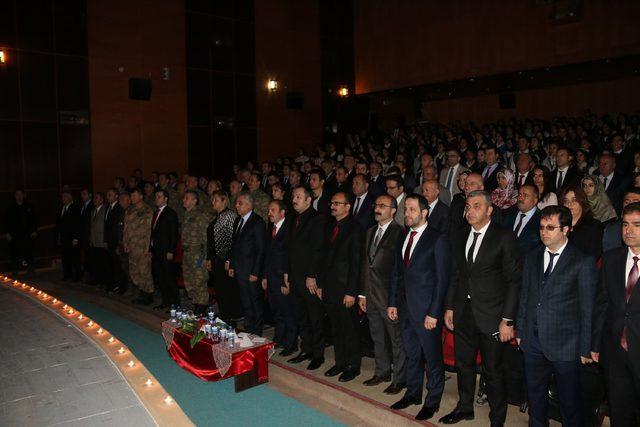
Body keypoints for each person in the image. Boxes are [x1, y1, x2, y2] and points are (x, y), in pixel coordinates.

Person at [440, 190, 521, 426]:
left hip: (492, 315)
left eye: (476, 206)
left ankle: (498, 419)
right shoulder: (461, 234)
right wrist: (449, 307)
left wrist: (507, 319)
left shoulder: (504, 237)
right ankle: (465, 407)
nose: (470, 211)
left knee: (493, 370)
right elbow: (456, 275)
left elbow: (514, 281)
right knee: (463, 363)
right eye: (468, 206)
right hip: (464, 312)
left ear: (489, 210)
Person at [516, 205, 597, 426]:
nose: (544, 232)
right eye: (542, 227)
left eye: (550, 227)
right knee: (535, 397)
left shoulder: (582, 261)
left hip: (566, 346)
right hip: (532, 341)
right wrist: (521, 331)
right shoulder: (532, 257)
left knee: (569, 403)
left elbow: (588, 308)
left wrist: (585, 347)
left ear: (566, 229)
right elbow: (525, 297)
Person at [388, 194, 451, 421]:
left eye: (412, 210)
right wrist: (393, 302)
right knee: (412, 354)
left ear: (425, 213)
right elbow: (397, 273)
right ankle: (413, 393)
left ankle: (432, 402)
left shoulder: (437, 239)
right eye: (406, 210)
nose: (407, 214)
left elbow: (442, 280)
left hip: (426, 311)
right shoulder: (404, 236)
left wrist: (434, 313)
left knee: (432, 358)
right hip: (404, 308)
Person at [592, 202, 640, 426]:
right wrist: (595, 344)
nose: (629, 230)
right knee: (620, 414)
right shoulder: (611, 258)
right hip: (615, 351)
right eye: (625, 224)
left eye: (637, 225)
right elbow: (601, 305)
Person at [359, 194, 407, 394]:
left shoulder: (400, 233)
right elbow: (365, 265)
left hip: (389, 298)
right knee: (377, 336)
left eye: (383, 206)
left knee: (396, 340)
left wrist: (394, 300)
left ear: (393, 210)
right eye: (376, 205)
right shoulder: (370, 231)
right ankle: (382, 371)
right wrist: (362, 294)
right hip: (370, 295)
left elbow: (400, 271)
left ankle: (400, 379)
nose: (377, 209)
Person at [320, 192, 363, 382]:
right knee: (335, 327)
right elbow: (323, 257)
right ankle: (340, 362)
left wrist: (352, 291)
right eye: (332, 202)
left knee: (349, 328)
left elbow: (356, 263)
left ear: (348, 206)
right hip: (329, 286)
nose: (333, 206)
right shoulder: (330, 226)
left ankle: (353, 365)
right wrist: (321, 284)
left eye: (337, 203)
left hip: (345, 288)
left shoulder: (355, 228)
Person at [284, 186, 326, 370]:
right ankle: (306, 349)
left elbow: (318, 250)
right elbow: (288, 248)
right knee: (301, 315)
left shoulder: (317, 218)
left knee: (314, 316)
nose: (294, 199)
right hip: (293, 275)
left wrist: (312, 275)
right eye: (294, 196)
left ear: (309, 200)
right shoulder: (292, 218)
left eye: (299, 196)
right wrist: (286, 272)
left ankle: (318, 354)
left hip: (308, 277)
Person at [228, 192, 267, 335]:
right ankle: (249, 328)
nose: (236, 206)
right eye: (236, 203)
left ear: (250, 205)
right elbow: (235, 245)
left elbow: (261, 249)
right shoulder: (238, 221)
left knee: (255, 301)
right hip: (240, 268)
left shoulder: (257, 222)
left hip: (251, 270)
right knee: (245, 301)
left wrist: (255, 272)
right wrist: (232, 265)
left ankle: (257, 330)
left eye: (240, 203)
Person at [262, 200, 297, 356]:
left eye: (273, 210)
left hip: (282, 278)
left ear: (282, 212)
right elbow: (267, 255)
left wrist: (286, 280)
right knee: (277, 311)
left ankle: (291, 344)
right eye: (269, 210)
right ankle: (279, 339)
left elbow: (289, 258)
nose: (270, 213)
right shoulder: (271, 228)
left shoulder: (289, 230)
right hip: (271, 277)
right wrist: (264, 276)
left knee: (288, 312)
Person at [206, 191, 242, 322]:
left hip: (225, 259)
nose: (213, 203)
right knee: (220, 288)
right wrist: (209, 258)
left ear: (224, 201)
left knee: (227, 288)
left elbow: (233, 241)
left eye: (216, 200)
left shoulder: (230, 216)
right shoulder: (217, 216)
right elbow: (211, 241)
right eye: (212, 200)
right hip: (217, 259)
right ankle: (225, 313)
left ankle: (230, 315)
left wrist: (228, 259)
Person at [181, 190, 212, 316]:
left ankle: (202, 306)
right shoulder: (186, 214)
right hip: (187, 254)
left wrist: (205, 256)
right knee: (189, 280)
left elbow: (206, 238)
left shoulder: (200, 215)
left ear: (195, 201)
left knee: (199, 280)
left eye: (187, 198)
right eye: (184, 198)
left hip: (198, 254)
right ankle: (195, 302)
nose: (184, 200)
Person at [150, 189, 179, 309]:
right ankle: (165, 301)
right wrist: (150, 249)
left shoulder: (170, 213)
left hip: (166, 251)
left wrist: (171, 250)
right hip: (156, 251)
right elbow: (152, 233)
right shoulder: (156, 212)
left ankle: (175, 304)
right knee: (161, 278)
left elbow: (174, 233)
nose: (157, 199)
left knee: (169, 278)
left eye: (159, 197)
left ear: (166, 199)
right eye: (156, 196)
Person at [125, 188, 154, 305]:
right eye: (131, 196)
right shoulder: (130, 210)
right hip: (132, 246)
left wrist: (148, 248)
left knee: (144, 272)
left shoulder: (147, 210)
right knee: (135, 271)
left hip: (143, 247)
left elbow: (149, 231)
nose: (132, 198)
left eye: (134, 196)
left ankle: (148, 295)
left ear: (141, 196)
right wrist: (126, 243)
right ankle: (141, 293)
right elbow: (126, 229)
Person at [561, 186, 603, 259]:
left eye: (574, 200)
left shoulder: (594, 225)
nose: (569, 204)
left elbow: (593, 256)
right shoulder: (559, 224)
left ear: (582, 202)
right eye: (566, 201)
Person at [4, 189, 37, 275]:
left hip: (27, 234)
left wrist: (33, 230)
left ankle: (30, 268)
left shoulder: (29, 206)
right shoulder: (10, 207)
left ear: (24, 195)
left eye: (21, 194)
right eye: (17, 194)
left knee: (29, 251)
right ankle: (15, 269)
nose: (19, 196)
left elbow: (33, 220)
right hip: (15, 234)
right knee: (14, 252)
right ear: (15, 196)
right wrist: (7, 232)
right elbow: (6, 221)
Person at [502, 184, 542, 252]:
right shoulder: (508, 213)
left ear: (535, 200)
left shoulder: (541, 220)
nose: (520, 198)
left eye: (525, 195)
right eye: (519, 194)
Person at [57, 190, 81, 281]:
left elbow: (77, 224)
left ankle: (77, 276)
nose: (63, 199)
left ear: (70, 198)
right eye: (62, 197)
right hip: (63, 238)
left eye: (65, 197)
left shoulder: (75, 208)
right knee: (65, 257)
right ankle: (67, 275)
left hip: (72, 238)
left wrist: (75, 238)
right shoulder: (61, 209)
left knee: (74, 258)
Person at [88, 192, 107, 287]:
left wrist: (105, 241)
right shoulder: (93, 211)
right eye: (94, 198)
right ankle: (96, 280)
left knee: (102, 263)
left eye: (97, 198)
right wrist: (91, 239)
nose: (94, 200)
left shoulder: (105, 210)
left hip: (101, 241)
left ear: (102, 200)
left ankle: (103, 281)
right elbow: (92, 227)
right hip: (94, 241)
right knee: (95, 262)